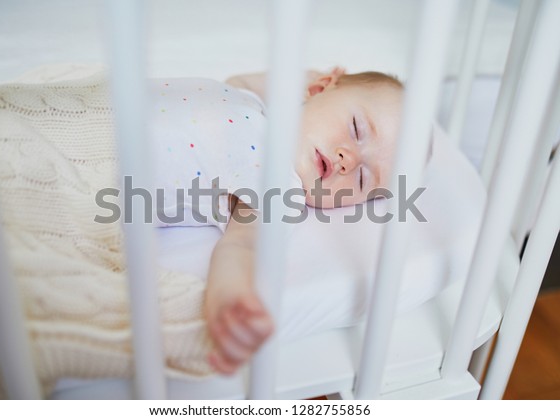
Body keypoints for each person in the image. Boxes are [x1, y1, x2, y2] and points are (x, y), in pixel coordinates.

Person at [150, 68, 404, 374]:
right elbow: (241, 81)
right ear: (320, 87)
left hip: (99, 168)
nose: (347, 159)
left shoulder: (281, 189)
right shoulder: (253, 101)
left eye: (363, 178)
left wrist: (231, 302)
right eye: (356, 128)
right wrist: (312, 78)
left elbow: (242, 245)